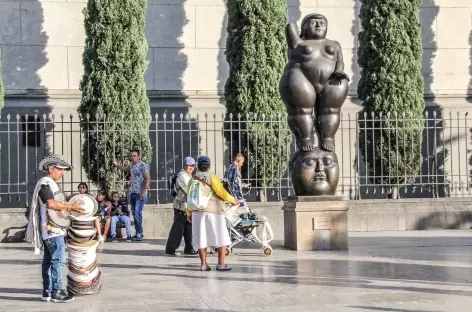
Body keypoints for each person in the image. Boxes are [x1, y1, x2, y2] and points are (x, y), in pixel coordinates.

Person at [25, 154, 85, 303]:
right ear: (51, 169)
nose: (62, 173)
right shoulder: (45, 183)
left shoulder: (49, 183)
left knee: (48, 261)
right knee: (57, 261)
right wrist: (72, 206)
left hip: (50, 230)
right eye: (60, 170)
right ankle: (57, 292)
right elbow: (51, 204)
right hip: (52, 230)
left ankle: (47, 292)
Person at [186, 156, 239, 271]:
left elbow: (189, 197)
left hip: (197, 212)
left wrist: (189, 212)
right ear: (209, 166)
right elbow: (221, 192)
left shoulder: (192, 179)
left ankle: (204, 264)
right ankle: (221, 264)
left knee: (201, 238)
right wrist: (232, 200)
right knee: (221, 237)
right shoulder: (212, 177)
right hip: (214, 211)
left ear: (198, 166)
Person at [112, 149, 150, 241]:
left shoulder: (142, 165)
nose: (133, 157)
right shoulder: (132, 165)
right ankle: (138, 233)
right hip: (133, 192)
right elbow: (126, 169)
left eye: (134, 156)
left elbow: (148, 179)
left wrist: (143, 192)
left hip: (140, 194)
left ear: (138, 156)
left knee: (137, 214)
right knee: (134, 213)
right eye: (131, 156)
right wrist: (117, 165)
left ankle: (139, 234)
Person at [165, 157, 197, 256]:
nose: (191, 167)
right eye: (189, 165)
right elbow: (190, 190)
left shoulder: (189, 175)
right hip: (181, 206)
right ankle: (171, 248)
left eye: (192, 165)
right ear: (184, 165)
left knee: (188, 227)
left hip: (187, 206)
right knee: (178, 228)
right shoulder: (182, 176)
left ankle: (189, 247)